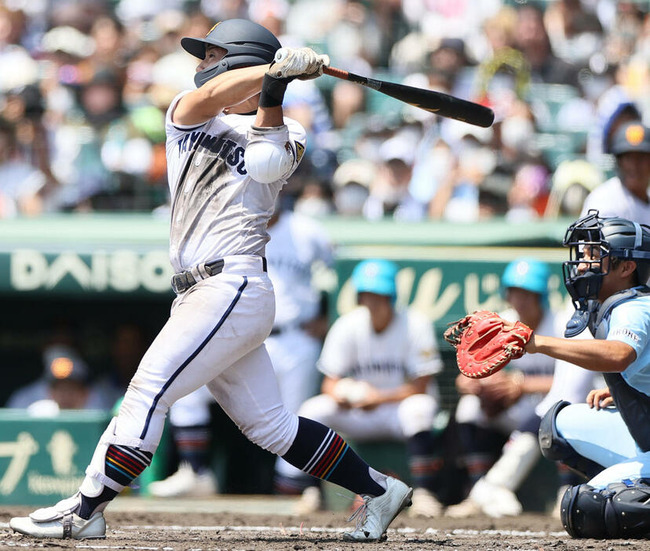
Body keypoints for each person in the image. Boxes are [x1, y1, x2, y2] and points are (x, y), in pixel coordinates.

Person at [9, 19, 412, 543]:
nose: (201, 65)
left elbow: (266, 164)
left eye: (211, 55)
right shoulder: (189, 113)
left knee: (148, 391)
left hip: (234, 285)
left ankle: (85, 509)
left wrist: (274, 87)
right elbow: (211, 94)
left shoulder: (292, 130)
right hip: (202, 293)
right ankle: (380, 490)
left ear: (238, 57)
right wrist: (273, 71)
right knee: (270, 425)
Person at [147, 195, 333, 498]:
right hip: (239, 335)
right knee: (187, 388)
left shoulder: (307, 230)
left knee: (295, 417)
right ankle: (195, 472)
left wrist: (327, 317)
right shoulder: (230, 228)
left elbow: (343, 272)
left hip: (294, 337)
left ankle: (295, 493)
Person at [275, 259, 445, 518]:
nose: (372, 302)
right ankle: (310, 492)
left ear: (391, 296)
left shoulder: (415, 324)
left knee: (419, 408)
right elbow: (329, 383)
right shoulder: (348, 324)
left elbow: (421, 385)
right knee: (313, 409)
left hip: (397, 411)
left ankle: (424, 494)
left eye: (378, 295)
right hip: (360, 410)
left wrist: (380, 397)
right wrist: (345, 395)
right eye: (366, 295)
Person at [528, 211, 650, 538]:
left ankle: (635, 485)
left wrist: (537, 343)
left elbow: (620, 354)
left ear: (627, 267)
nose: (583, 264)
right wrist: (625, 392)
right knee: (557, 426)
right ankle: (635, 479)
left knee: (590, 508)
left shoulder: (633, 308)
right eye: (583, 255)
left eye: (595, 256)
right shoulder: (616, 304)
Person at [446, 257, 558, 518]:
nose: (520, 300)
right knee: (469, 408)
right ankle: (477, 490)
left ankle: (565, 491)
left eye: (527, 293)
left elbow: (578, 382)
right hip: (512, 407)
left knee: (548, 410)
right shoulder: (500, 323)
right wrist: (477, 383)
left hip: (549, 406)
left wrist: (521, 385)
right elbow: (464, 377)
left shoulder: (562, 323)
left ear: (540, 295)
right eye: (514, 292)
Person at [580, 121, 650, 224]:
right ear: (618, 162)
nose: (634, 165)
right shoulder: (603, 201)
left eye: (641, 158)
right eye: (628, 158)